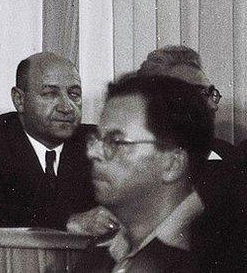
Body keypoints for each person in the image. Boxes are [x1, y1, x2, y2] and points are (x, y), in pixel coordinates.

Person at [71, 74, 212, 272]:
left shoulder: (216, 257)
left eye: (116, 142)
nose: (93, 153)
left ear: (172, 164)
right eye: (97, 140)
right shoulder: (97, 258)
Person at [0, 52, 96, 228]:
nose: (66, 107)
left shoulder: (96, 143)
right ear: (19, 99)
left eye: (74, 94)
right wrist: (68, 222)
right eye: (50, 94)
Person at [137, 45, 236, 160]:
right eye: (200, 94)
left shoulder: (229, 155)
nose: (213, 106)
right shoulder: (138, 164)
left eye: (211, 93)